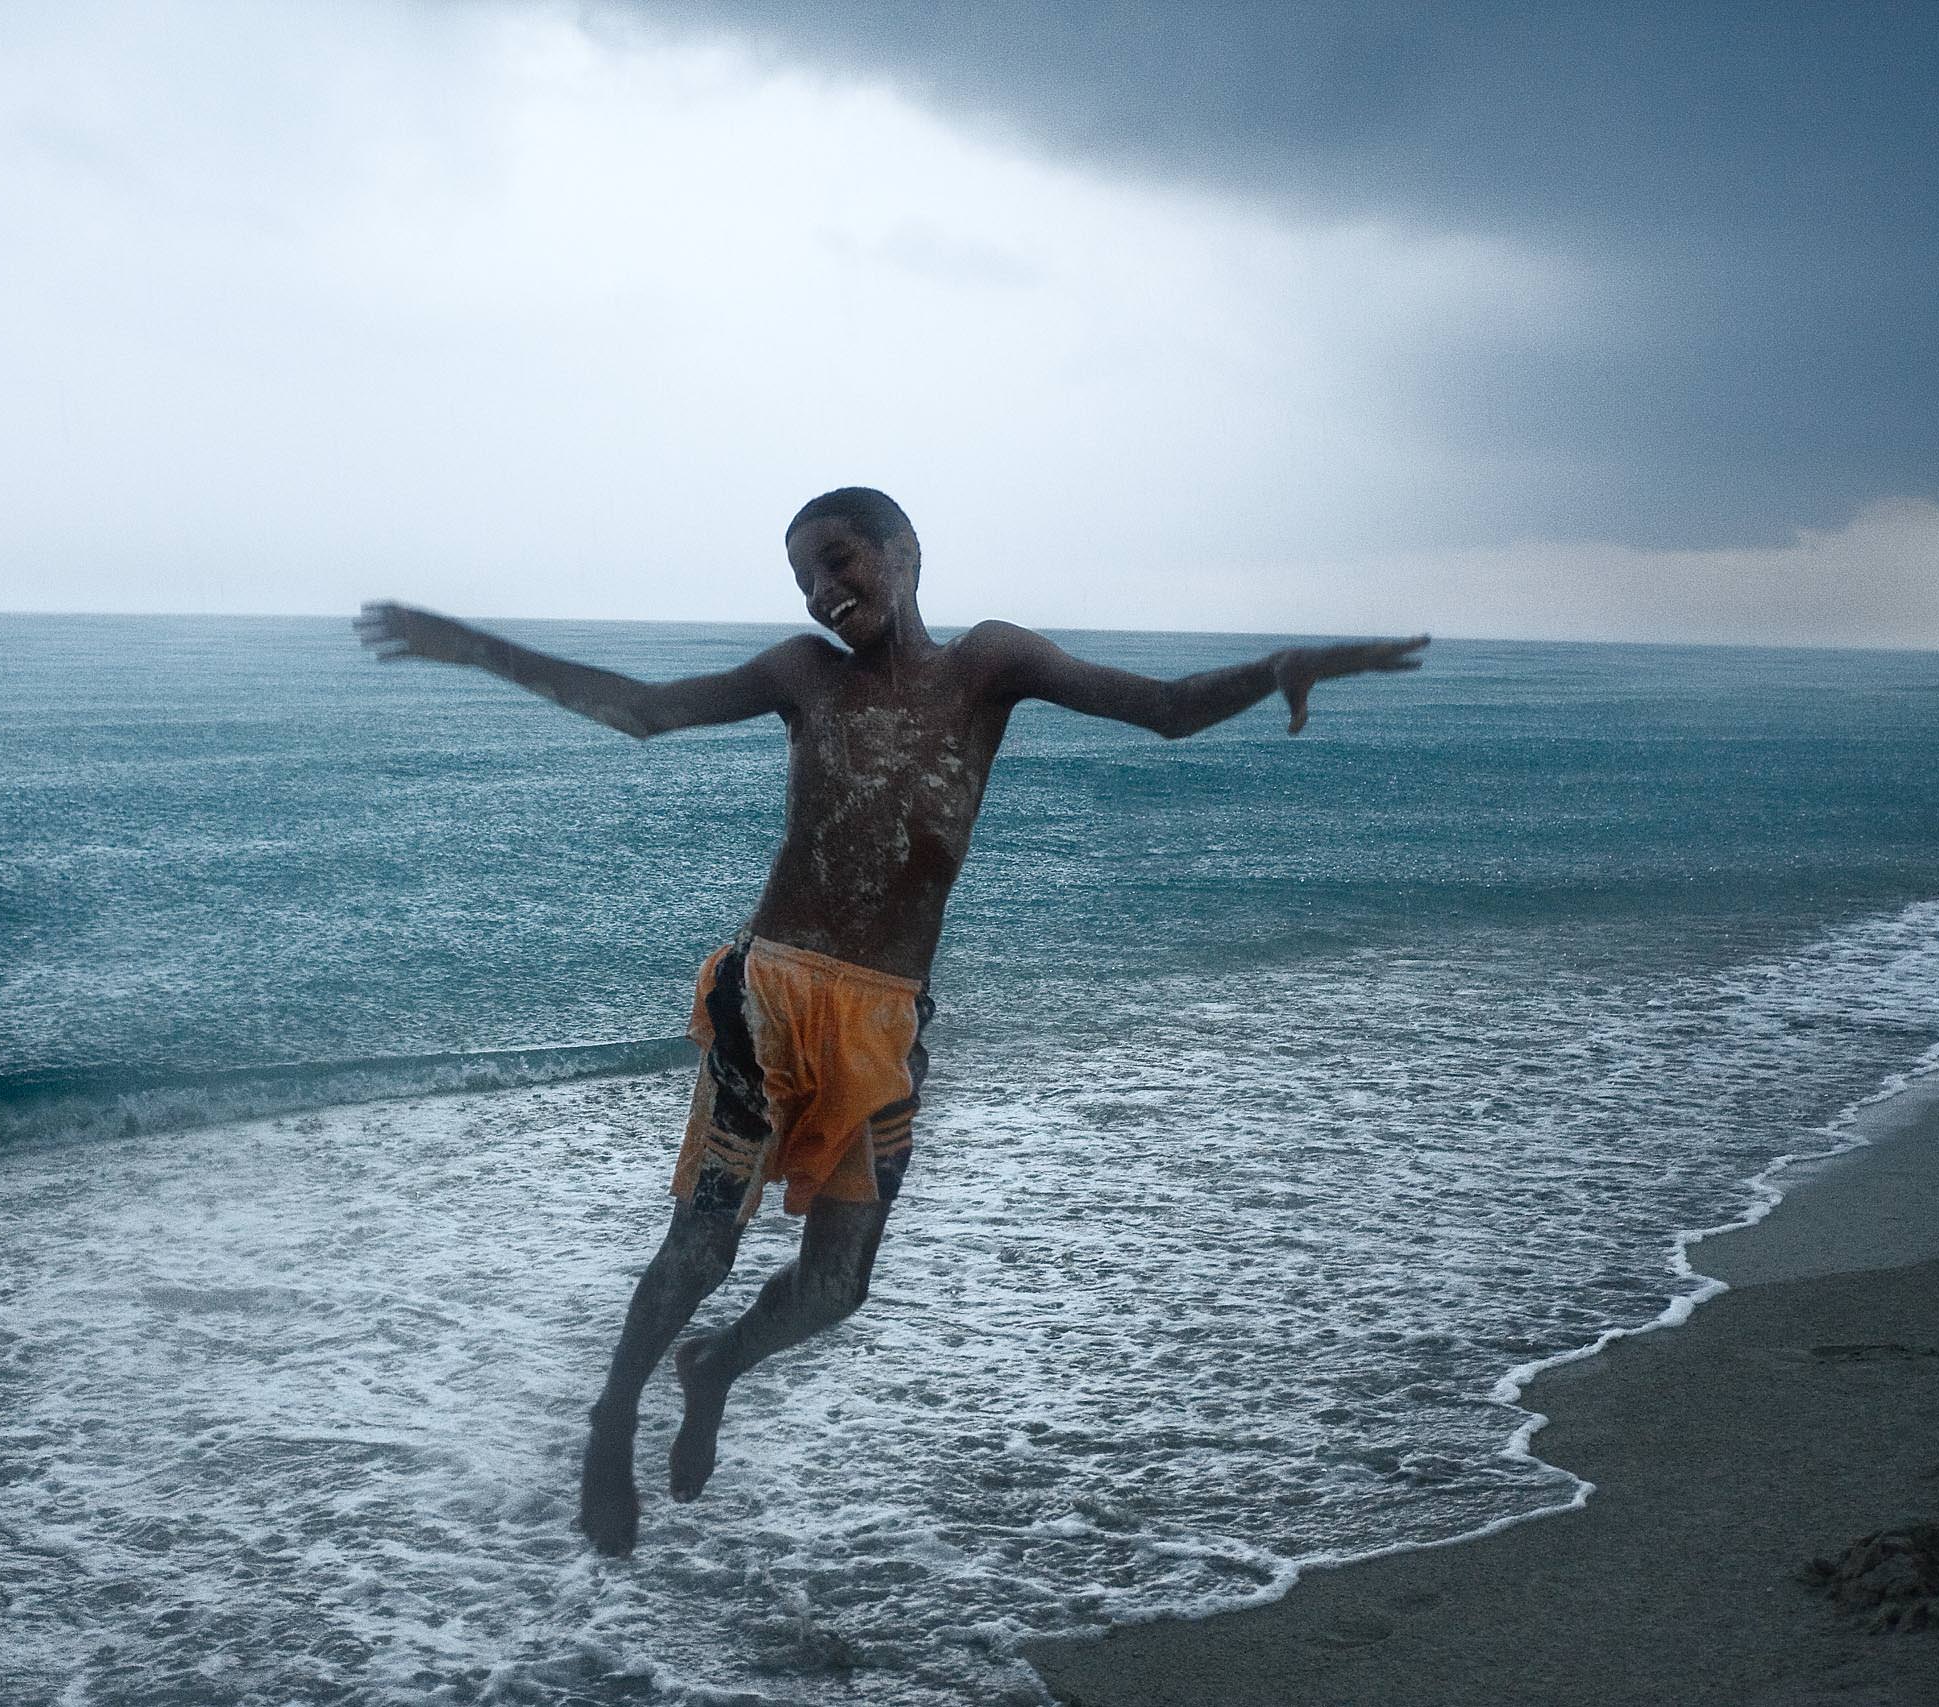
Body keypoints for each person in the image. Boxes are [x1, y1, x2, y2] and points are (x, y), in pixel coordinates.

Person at [356, 487, 1425, 1555]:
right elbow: (645, 709)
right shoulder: (803, 674)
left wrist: (1278, 667)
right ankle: (613, 1415)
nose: (822, 593)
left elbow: (1168, 707)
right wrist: (472, 647)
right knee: (704, 1244)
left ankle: (715, 1367)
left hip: (884, 1023)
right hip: (769, 1001)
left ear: (904, 552)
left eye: (838, 561)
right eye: (803, 580)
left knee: (836, 1288)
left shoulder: (988, 664)